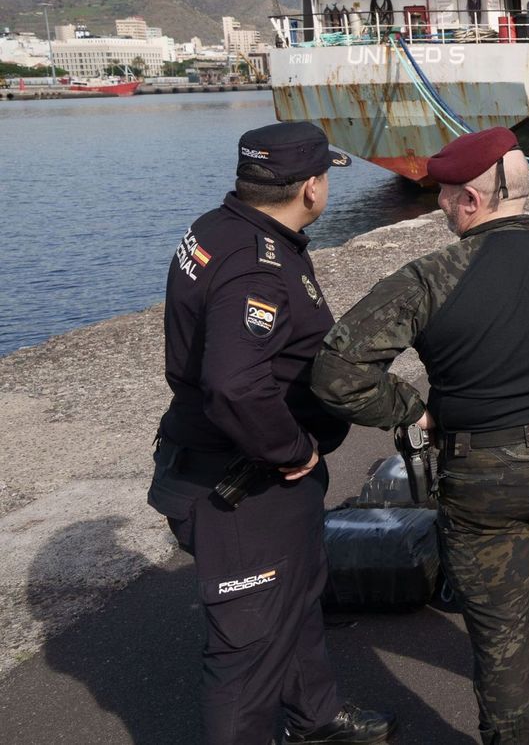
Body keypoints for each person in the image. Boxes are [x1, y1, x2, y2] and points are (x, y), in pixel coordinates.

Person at [312, 127, 529, 744]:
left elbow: (337, 373)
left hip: (479, 475)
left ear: (471, 199)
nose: (440, 204)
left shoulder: (430, 278)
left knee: (499, 631)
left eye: (444, 194)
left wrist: (415, 411)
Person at [147, 122, 396, 745]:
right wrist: (292, 449)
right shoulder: (254, 267)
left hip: (249, 476)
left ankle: (314, 716)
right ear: (311, 187)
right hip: (245, 484)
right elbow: (234, 384)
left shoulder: (219, 227)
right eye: (326, 177)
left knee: (296, 597)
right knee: (247, 653)